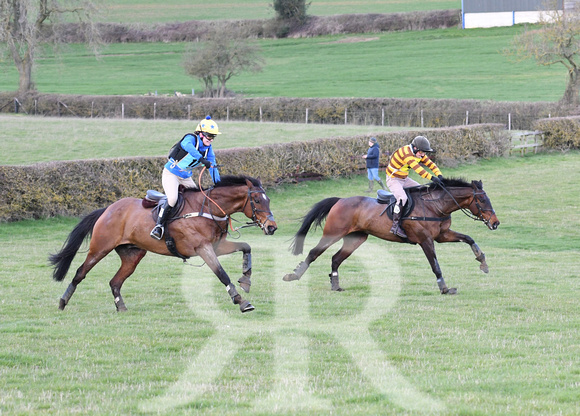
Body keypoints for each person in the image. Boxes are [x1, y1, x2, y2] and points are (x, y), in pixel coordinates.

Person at [150, 116, 221, 240]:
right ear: (201, 134)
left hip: (186, 178)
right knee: (172, 199)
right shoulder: (190, 138)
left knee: (200, 200)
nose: (211, 140)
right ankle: (159, 226)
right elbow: (188, 147)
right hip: (171, 174)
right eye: (209, 136)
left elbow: (213, 167)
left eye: (213, 137)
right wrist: (201, 159)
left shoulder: (208, 150)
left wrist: (219, 185)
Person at [385, 135, 443, 239]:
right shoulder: (406, 154)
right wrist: (433, 178)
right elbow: (419, 170)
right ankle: (395, 226)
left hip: (404, 179)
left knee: (422, 191)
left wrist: (440, 175)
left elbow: (431, 164)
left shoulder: (417, 153)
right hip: (393, 179)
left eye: (424, 153)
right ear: (415, 148)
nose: (423, 155)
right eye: (421, 152)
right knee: (402, 198)